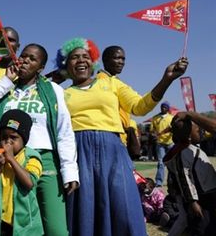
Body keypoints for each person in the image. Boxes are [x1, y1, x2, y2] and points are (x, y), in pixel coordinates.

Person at [55, 37, 188, 236]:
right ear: (66, 65)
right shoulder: (61, 93)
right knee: (85, 207)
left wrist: (166, 79)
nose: (81, 60)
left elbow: (140, 106)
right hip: (77, 151)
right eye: (74, 57)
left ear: (93, 62)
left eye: (86, 56)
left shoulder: (111, 84)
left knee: (123, 205)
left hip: (113, 150)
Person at [0, 43, 79, 235]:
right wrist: (6, 80)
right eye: (23, 56)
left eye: (32, 59)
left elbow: (64, 131)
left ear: (41, 68)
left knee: (56, 228)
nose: (25, 61)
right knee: (16, 226)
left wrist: (70, 170)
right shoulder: (6, 87)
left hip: (45, 160)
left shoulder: (53, 90)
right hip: (10, 161)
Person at [0, 109, 43, 235]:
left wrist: (11, 159)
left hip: (25, 226)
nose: (8, 142)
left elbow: (29, 183)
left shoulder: (31, 157)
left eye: (13, 138)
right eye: (4, 137)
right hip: (1, 223)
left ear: (24, 139)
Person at [164, 118, 216, 235]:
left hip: (209, 193)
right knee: (201, 227)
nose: (201, 131)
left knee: (211, 225)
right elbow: (185, 178)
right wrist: (193, 202)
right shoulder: (184, 153)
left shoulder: (193, 149)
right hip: (201, 197)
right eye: (198, 130)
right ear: (188, 136)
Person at [151, 101, 174, 187]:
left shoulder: (171, 118)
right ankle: (159, 182)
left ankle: (172, 181)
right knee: (161, 163)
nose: (163, 108)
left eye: (165, 107)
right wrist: (153, 134)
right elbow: (152, 130)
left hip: (170, 143)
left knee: (171, 163)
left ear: (168, 109)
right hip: (160, 144)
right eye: (162, 106)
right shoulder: (155, 118)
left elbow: (173, 129)